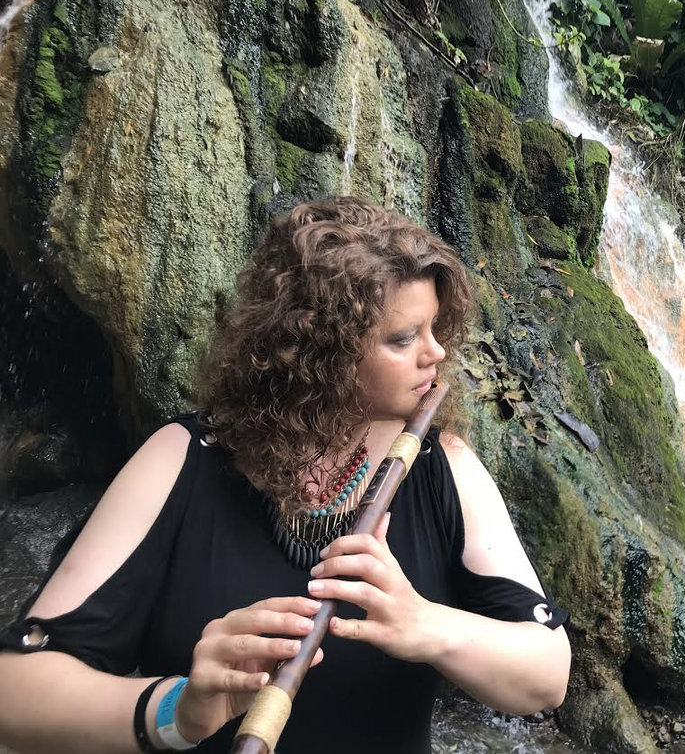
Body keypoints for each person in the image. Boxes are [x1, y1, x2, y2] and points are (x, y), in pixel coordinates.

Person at [0, 197, 571, 753]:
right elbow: (16, 695)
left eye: (434, 328)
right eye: (404, 338)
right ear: (322, 349)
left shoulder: (445, 467)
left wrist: (425, 624)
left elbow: (548, 673)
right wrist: (178, 710)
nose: (437, 352)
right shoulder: (182, 459)